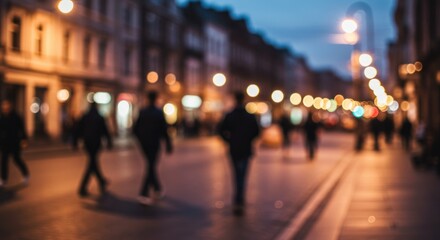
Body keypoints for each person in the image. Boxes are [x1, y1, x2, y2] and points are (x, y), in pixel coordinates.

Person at [218, 92, 260, 212]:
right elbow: (256, 132)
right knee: (243, 174)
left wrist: (229, 140)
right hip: (246, 149)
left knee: (236, 173)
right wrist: (249, 139)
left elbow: (221, 130)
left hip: (234, 149)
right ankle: (240, 197)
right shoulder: (250, 116)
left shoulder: (230, 115)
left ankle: (237, 197)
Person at [133, 91, 173, 205]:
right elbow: (164, 130)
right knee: (151, 166)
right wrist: (168, 144)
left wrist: (141, 140)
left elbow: (135, 129)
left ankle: (157, 188)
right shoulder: (158, 113)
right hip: (155, 143)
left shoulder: (143, 112)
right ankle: (143, 192)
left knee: (150, 165)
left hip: (145, 144)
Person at [74, 102, 112, 197]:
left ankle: (101, 182)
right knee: (92, 163)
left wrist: (75, 142)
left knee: (93, 162)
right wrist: (109, 142)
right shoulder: (99, 117)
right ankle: (83, 187)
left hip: (87, 143)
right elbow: (105, 130)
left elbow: (78, 129)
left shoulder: (85, 116)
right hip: (96, 143)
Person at [0, 99, 29, 187]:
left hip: (14, 143)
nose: (5, 107)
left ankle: (26, 174)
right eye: (3, 105)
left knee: (17, 159)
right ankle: (3, 179)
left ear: (10, 106)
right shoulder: (1, 117)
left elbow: (22, 129)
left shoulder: (16, 116)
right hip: (4, 143)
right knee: (4, 161)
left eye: (6, 105)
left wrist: (24, 140)